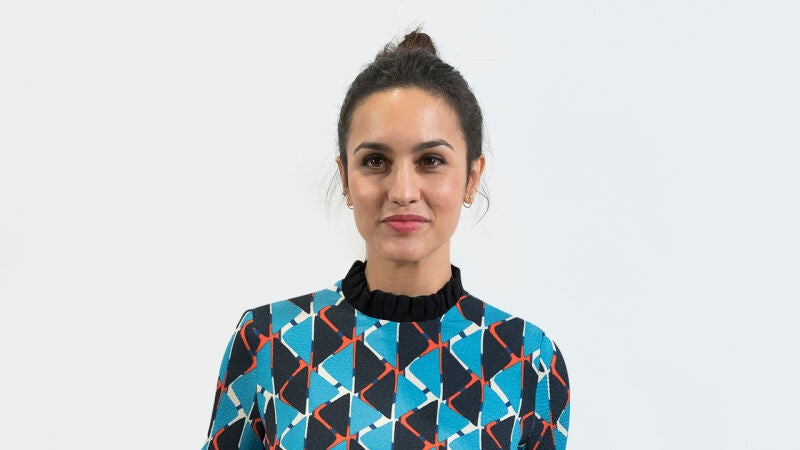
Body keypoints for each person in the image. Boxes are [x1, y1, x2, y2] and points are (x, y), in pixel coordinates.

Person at [202, 29, 570, 450]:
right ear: (345, 177)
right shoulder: (270, 341)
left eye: (430, 160)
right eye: (375, 161)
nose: (403, 191)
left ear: (472, 177)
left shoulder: (527, 360)